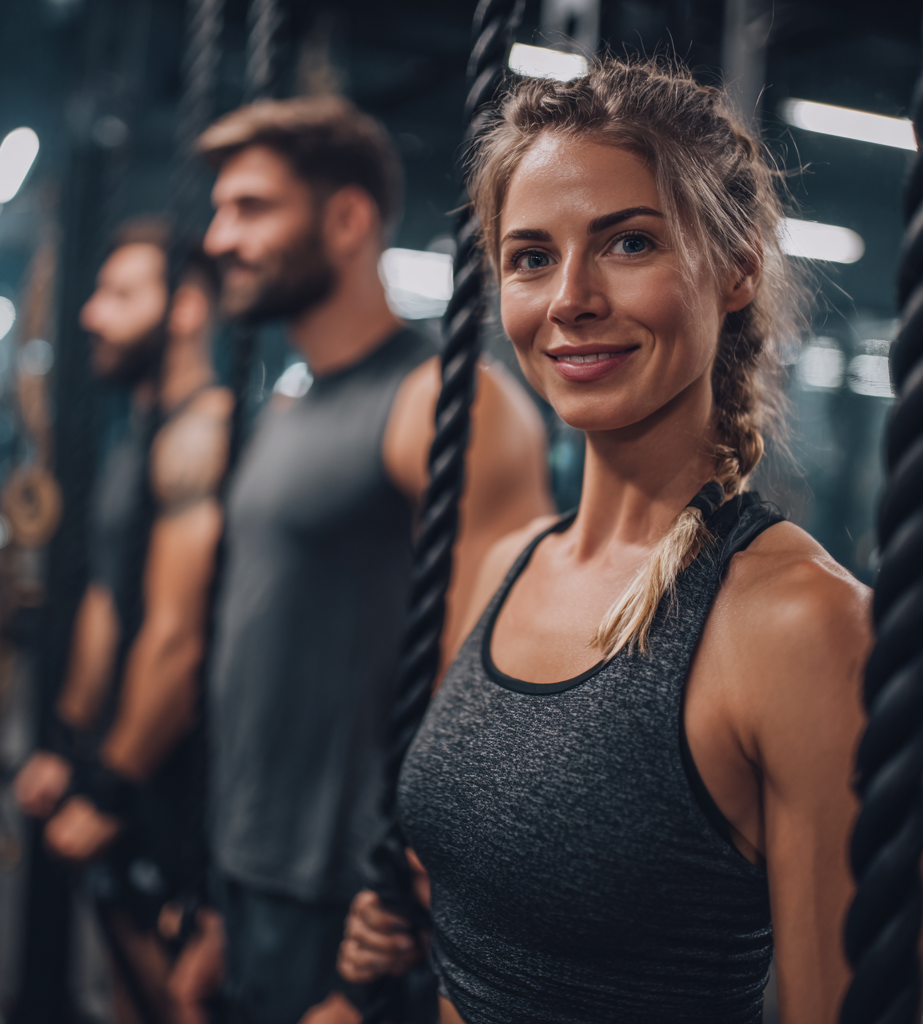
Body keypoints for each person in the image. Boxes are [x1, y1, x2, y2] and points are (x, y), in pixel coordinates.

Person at [339, 57, 872, 1024]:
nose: (569, 298)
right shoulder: (506, 564)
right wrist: (418, 920)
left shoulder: (803, 623)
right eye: (531, 257)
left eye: (629, 243)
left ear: (738, 268)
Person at [194, 95, 553, 1024]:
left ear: (348, 219)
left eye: (251, 208)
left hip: (360, 903)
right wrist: (219, 894)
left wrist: (393, 929)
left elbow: (499, 687)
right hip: (252, 872)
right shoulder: (288, 407)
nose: (220, 237)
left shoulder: (446, 403)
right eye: (220, 210)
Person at [14, 221, 233, 1023]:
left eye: (121, 295)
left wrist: (109, 789)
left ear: (185, 310)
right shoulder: (140, 436)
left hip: (179, 776)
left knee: (172, 993)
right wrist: (70, 750)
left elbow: (179, 639)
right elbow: (108, 604)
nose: (92, 315)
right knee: (125, 986)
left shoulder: (206, 436)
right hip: (122, 759)